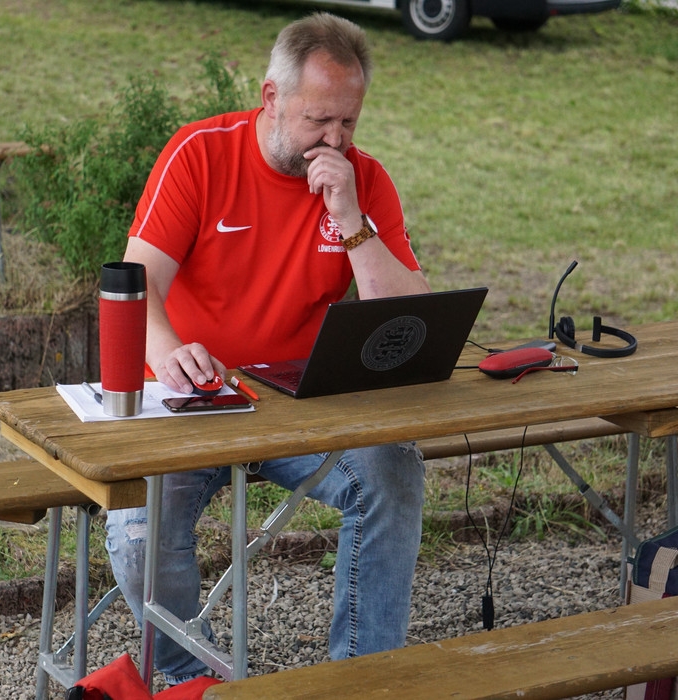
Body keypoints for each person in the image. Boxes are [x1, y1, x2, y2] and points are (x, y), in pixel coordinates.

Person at [105, 12, 432, 684]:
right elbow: (136, 287)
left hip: (300, 403)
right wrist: (169, 356)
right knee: (138, 531)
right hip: (192, 399)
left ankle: (361, 683)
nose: (334, 139)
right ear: (272, 97)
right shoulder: (201, 154)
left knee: (393, 471)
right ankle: (195, 679)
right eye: (319, 120)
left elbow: (409, 319)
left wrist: (351, 221)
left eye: (348, 122)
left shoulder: (362, 180)